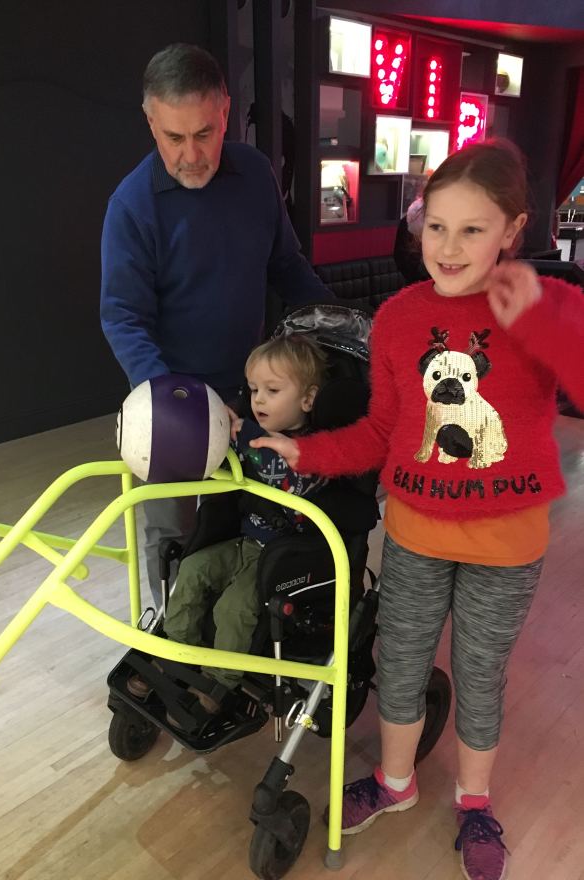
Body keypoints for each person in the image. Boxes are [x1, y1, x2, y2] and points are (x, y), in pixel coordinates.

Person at [248, 139, 584, 880]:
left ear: (513, 228)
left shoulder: (550, 302)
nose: (450, 246)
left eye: (472, 228)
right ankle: (396, 784)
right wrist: (310, 452)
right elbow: (381, 431)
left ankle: (473, 801)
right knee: (397, 661)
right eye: (436, 226)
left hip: (507, 543)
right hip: (414, 533)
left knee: (479, 671)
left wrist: (544, 318)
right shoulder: (401, 317)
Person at [100, 43, 333, 609]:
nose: (191, 155)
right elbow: (123, 317)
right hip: (172, 404)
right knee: (172, 532)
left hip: (254, 394)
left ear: (226, 111)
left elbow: (288, 269)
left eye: (204, 133)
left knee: (251, 523)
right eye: (173, 137)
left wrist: (341, 331)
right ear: (151, 121)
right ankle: (166, 636)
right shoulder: (132, 206)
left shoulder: (254, 173)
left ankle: (231, 637)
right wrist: (175, 402)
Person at [126, 334, 329, 712]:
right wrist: (218, 431)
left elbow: (282, 467)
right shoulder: (252, 432)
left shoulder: (316, 448)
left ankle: (221, 682)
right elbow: (226, 454)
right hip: (247, 540)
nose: (259, 399)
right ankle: (174, 651)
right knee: (191, 571)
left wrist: (247, 434)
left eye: (272, 390)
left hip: (286, 557)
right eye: (253, 390)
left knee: (233, 608)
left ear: (307, 399)